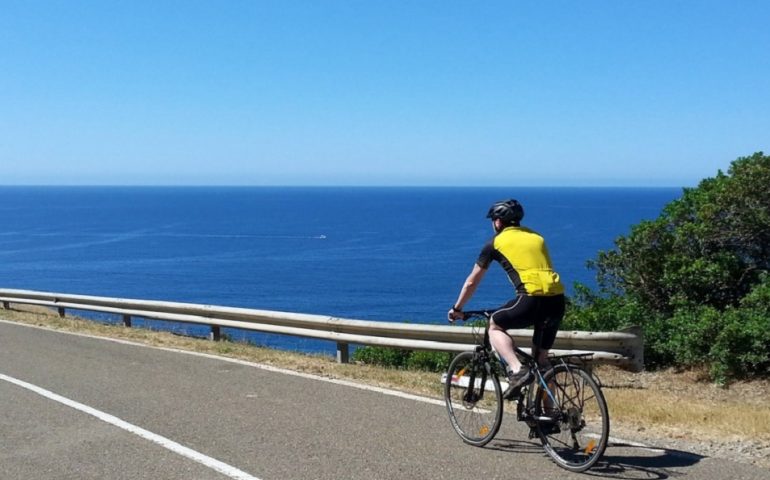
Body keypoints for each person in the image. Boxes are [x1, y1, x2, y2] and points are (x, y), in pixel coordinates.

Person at [448, 199, 565, 399]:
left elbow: (471, 282)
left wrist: (457, 308)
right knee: (541, 361)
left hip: (530, 298)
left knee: (494, 325)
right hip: (557, 300)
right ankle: (549, 416)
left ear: (499, 222)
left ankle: (517, 369)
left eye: (493, 220)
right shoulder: (537, 237)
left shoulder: (495, 243)